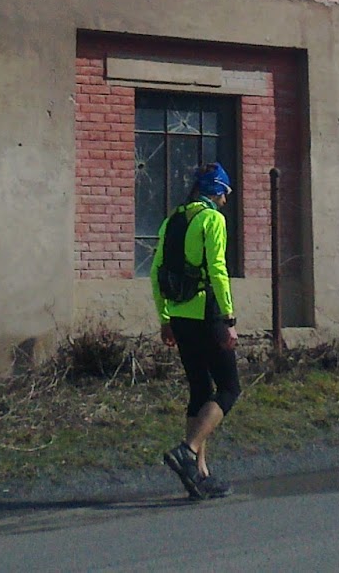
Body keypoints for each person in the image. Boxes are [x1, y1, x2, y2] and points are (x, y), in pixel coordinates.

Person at [151, 161, 240, 500]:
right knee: (229, 388)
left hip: (178, 315)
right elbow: (218, 269)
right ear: (216, 191)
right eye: (225, 193)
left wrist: (164, 317)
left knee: (200, 390)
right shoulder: (212, 219)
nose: (225, 201)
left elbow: (156, 271)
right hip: (207, 314)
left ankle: (199, 475)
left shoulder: (172, 219)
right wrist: (228, 318)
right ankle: (187, 451)